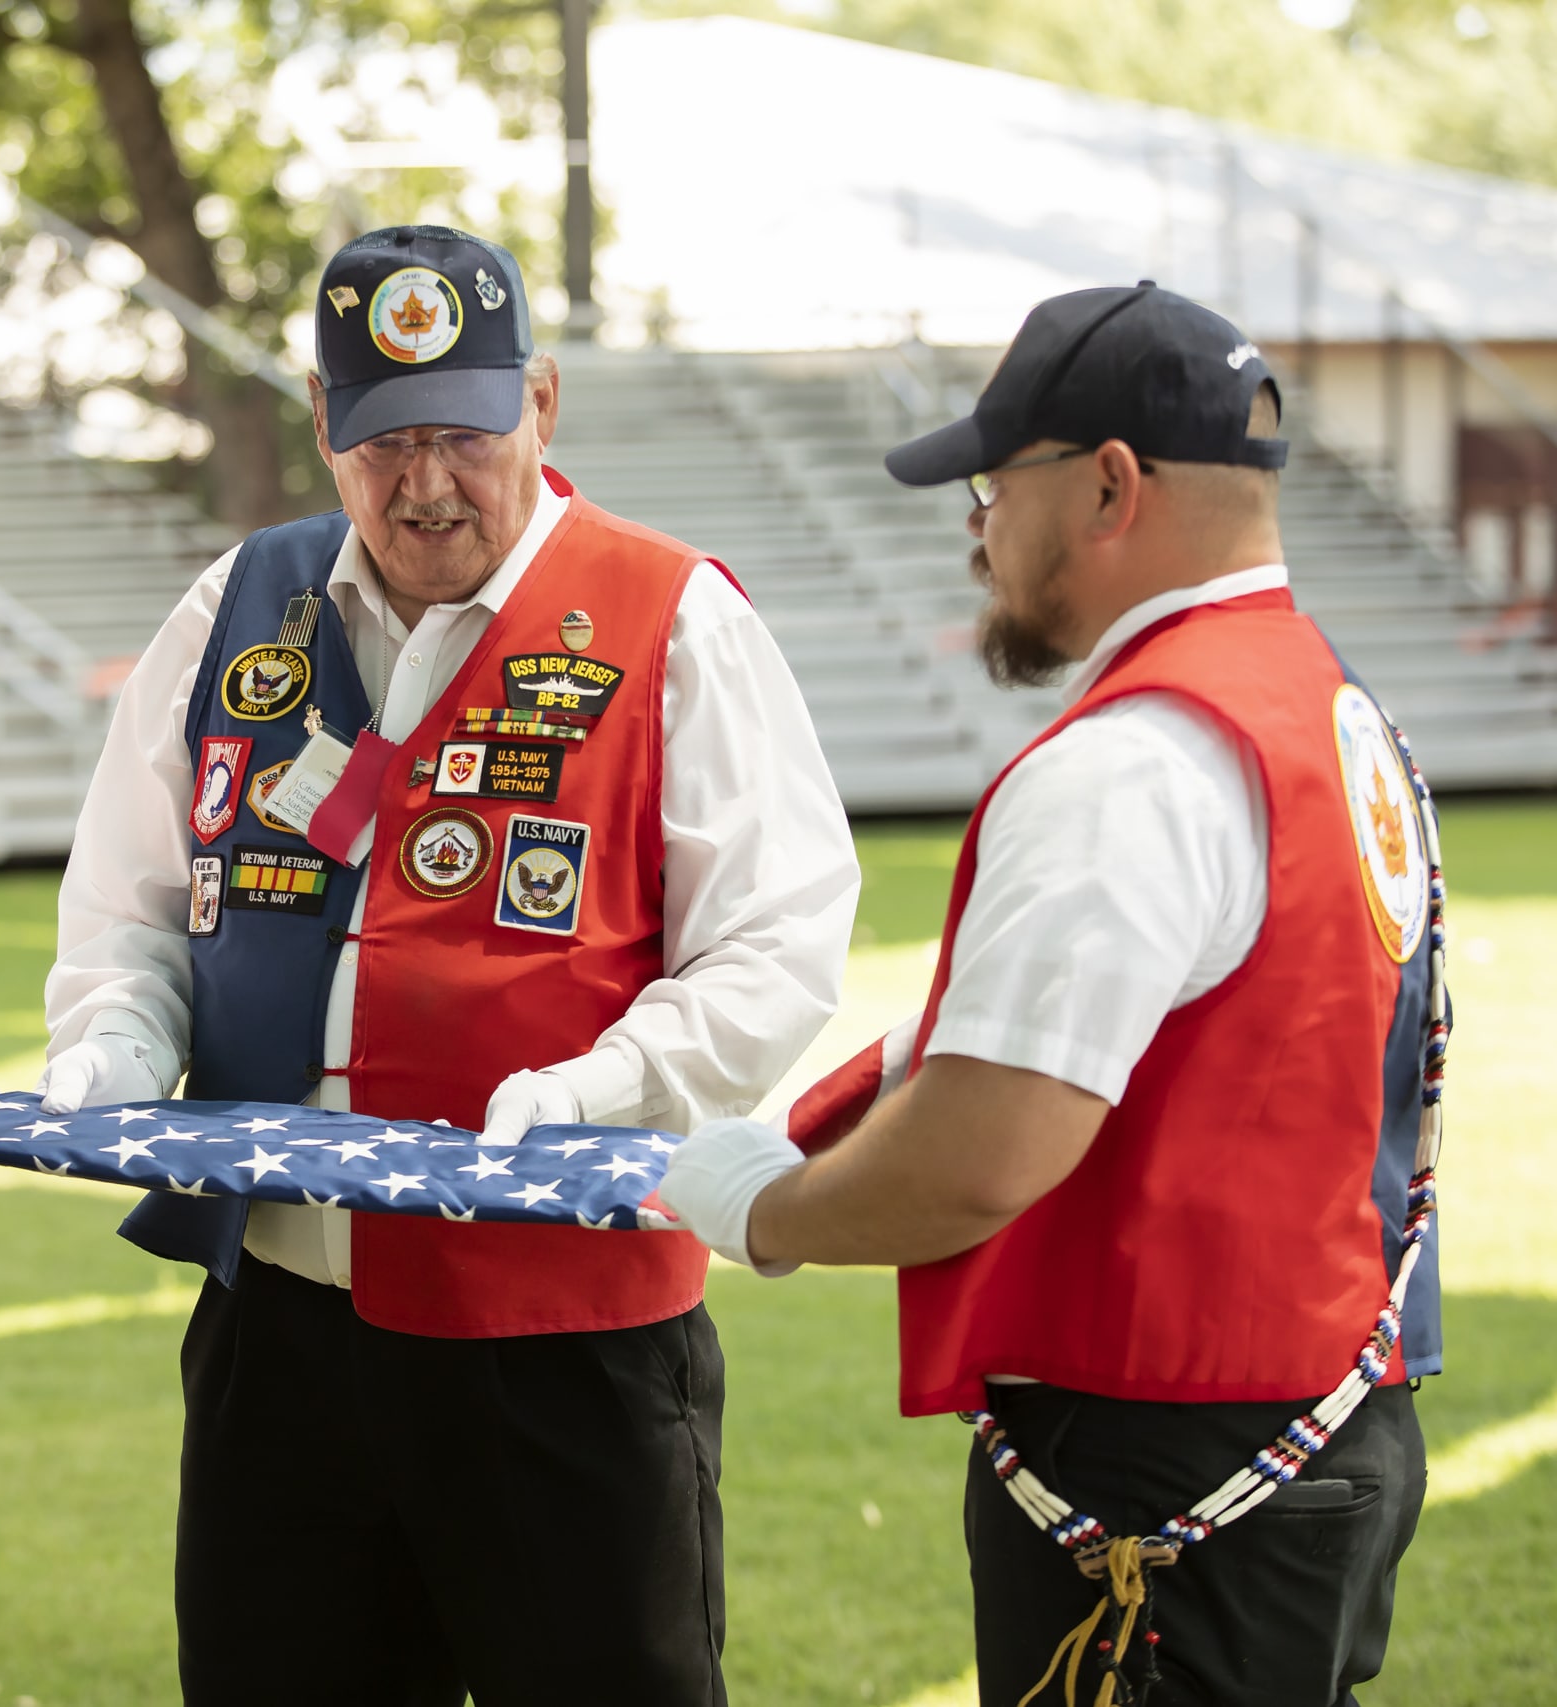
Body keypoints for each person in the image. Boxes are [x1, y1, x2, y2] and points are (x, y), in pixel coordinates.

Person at [42, 226, 859, 1704]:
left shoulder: (678, 617)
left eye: (463, 435)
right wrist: (108, 1047)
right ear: (319, 420)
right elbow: (133, 906)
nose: (424, 484)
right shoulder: (236, 609)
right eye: (382, 441)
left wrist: (613, 1080)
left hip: (566, 1335)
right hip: (281, 1327)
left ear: (542, 401)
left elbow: (779, 944)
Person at [658, 282, 1441, 1707]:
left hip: (1166, 1459)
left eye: (990, 482)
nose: (975, 525)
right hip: (1317, 1414)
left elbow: (980, 1158)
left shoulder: (1132, 762)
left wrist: (755, 1211)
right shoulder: (1325, 705)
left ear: (1108, 485)